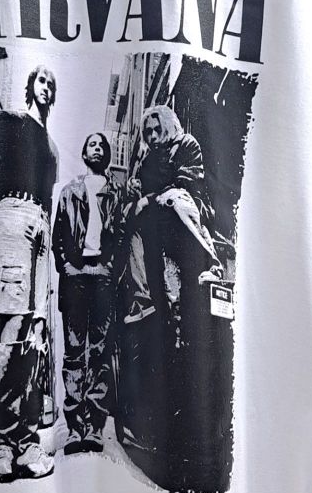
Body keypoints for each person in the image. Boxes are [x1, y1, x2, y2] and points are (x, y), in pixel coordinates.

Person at [0, 65, 59, 481]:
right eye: (41, 80)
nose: (46, 87)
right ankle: (1, 445)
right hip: (13, 215)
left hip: (41, 226)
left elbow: (50, 200)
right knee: (10, 326)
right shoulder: (8, 120)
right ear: (30, 86)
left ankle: (27, 443)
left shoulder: (52, 148)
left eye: (51, 83)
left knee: (35, 335)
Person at [51, 133, 125, 455]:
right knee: (73, 351)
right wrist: (67, 267)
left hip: (103, 274)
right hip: (76, 274)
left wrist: (111, 268)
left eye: (101, 145)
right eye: (92, 144)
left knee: (100, 350)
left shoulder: (116, 193)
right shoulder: (70, 192)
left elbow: (122, 235)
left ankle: (94, 427)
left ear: (107, 155)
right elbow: (58, 236)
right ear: (83, 153)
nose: (97, 148)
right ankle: (74, 429)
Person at [122, 105, 223, 326]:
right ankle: (142, 298)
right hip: (161, 222)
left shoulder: (187, 144)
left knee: (172, 197)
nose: (152, 136)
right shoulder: (147, 160)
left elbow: (185, 182)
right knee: (133, 219)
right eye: (148, 132)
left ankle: (211, 265)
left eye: (156, 129)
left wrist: (148, 198)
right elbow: (143, 196)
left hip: (187, 209)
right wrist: (135, 189)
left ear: (167, 126)